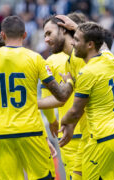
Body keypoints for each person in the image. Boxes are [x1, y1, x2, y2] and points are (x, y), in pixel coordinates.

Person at [0, 15, 73, 180]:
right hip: (31, 132)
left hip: (2, 134)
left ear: (2, 35)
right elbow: (61, 95)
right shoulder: (35, 58)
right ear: (25, 35)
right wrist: (69, 83)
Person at [60, 21, 114, 179]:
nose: (72, 42)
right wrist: (76, 26)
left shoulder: (87, 73)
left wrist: (64, 122)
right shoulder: (111, 59)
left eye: (77, 40)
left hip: (103, 140)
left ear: (90, 45)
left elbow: (75, 112)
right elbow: (104, 46)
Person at [40, 12, 87, 179]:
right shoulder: (71, 62)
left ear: (65, 29)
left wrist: (57, 121)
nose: (45, 40)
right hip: (85, 133)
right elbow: (63, 97)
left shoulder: (88, 57)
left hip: (91, 135)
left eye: (49, 33)